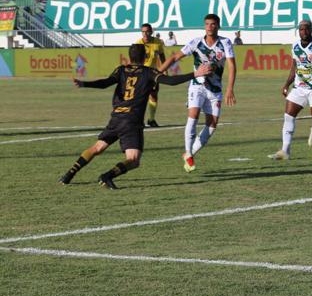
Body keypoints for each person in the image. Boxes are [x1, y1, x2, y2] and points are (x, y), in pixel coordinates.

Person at [60, 44, 208, 188]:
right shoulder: (149, 72)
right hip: (131, 121)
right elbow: (170, 81)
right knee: (133, 160)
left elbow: (105, 83)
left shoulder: (121, 70)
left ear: (129, 57)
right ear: (145, 57)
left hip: (116, 117)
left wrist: (84, 84)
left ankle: (68, 175)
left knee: (97, 148)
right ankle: (107, 176)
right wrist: (195, 73)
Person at [158, 13, 237, 173]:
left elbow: (231, 66)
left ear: (218, 26)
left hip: (215, 89)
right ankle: (188, 152)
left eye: (213, 24)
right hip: (197, 86)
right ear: (204, 26)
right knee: (193, 116)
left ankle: (189, 153)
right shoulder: (196, 43)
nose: (210, 27)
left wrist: (230, 88)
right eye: (207, 24)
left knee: (212, 126)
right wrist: (157, 73)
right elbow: (175, 58)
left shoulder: (225, 43)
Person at [269, 20, 312, 162]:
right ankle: (285, 150)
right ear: (298, 31)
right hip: (299, 88)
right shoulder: (294, 46)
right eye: (301, 29)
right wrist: (287, 84)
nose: (304, 32)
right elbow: (294, 67)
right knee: (288, 116)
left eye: (306, 29)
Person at [133, 23, 167, 127]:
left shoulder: (158, 42)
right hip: (141, 73)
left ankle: (151, 119)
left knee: (154, 96)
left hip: (153, 73)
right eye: (143, 31)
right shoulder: (138, 43)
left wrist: (165, 69)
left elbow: (162, 56)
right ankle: (139, 120)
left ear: (151, 32)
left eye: (147, 31)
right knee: (140, 97)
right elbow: (135, 60)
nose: (145, 34)